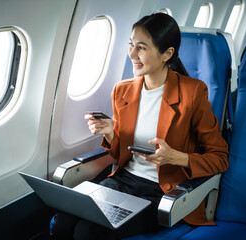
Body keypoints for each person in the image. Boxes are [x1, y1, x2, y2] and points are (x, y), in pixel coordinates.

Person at [50, 12, 229, 240]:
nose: (132, 54)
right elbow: (121, 156)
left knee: (87, 232)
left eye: (142, 48)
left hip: (162, 192)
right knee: (62, 223)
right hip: (122, 182)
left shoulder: (192, 93)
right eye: (131, 45)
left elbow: (220, 158)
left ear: (167, 54)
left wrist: (176, 157)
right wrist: (111, 133)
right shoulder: (122, 90)